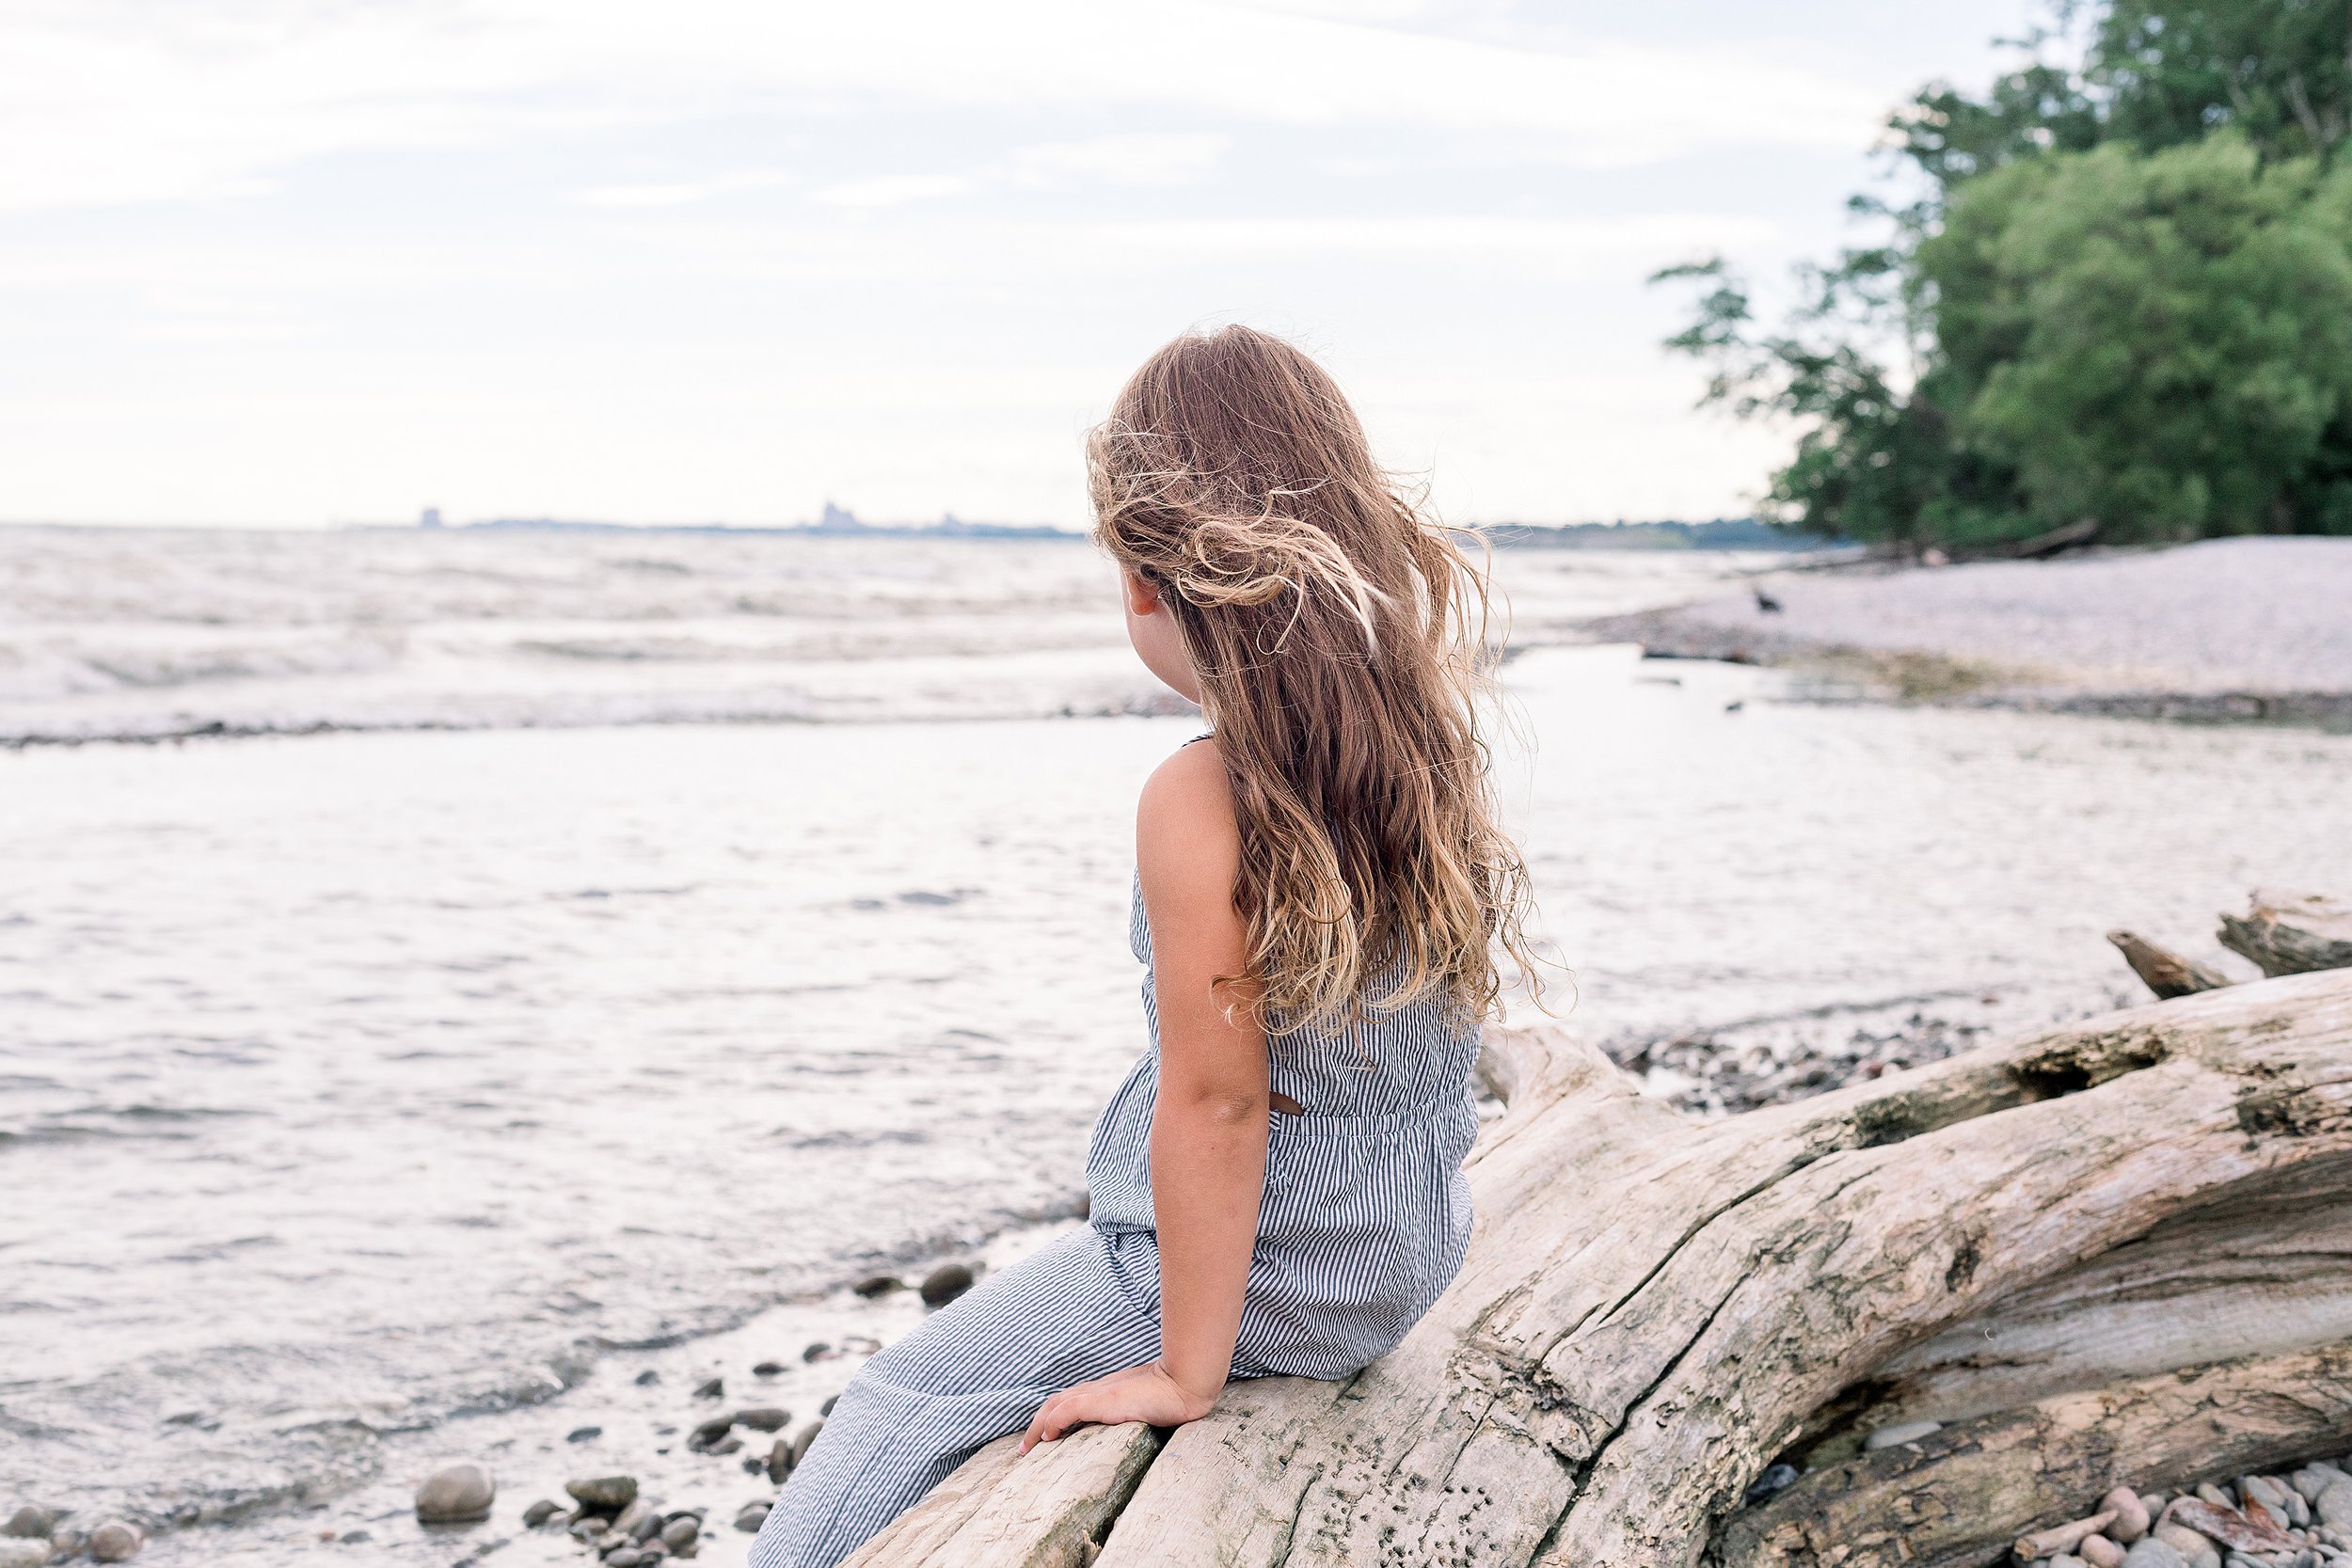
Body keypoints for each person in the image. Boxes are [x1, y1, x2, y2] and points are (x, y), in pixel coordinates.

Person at [751, 324, 1540, 1568]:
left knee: (903, 1401)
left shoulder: (1203, 795)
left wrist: (1185, 1367)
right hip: (1400, 1256)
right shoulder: (1414, 748)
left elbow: (1219, 1104)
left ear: (1145, 576)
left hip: (1275, 1277)